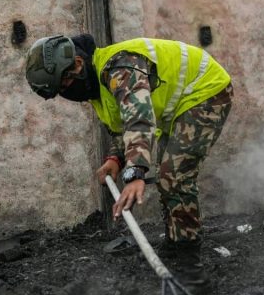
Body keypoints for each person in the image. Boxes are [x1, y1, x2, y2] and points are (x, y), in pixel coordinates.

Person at [24, 33, 233, 254]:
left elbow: (138, 118)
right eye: (60, 90)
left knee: (174, 175)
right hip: (180, 105)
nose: (66, 91)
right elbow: (122, 128)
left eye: (64, 83)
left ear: (77, 64)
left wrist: (135, 172)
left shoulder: (119, 68)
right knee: (167, 176)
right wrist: (116, 158)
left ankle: (186, 252)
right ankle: (178, 239)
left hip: (207, 90)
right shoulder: (98, 88)